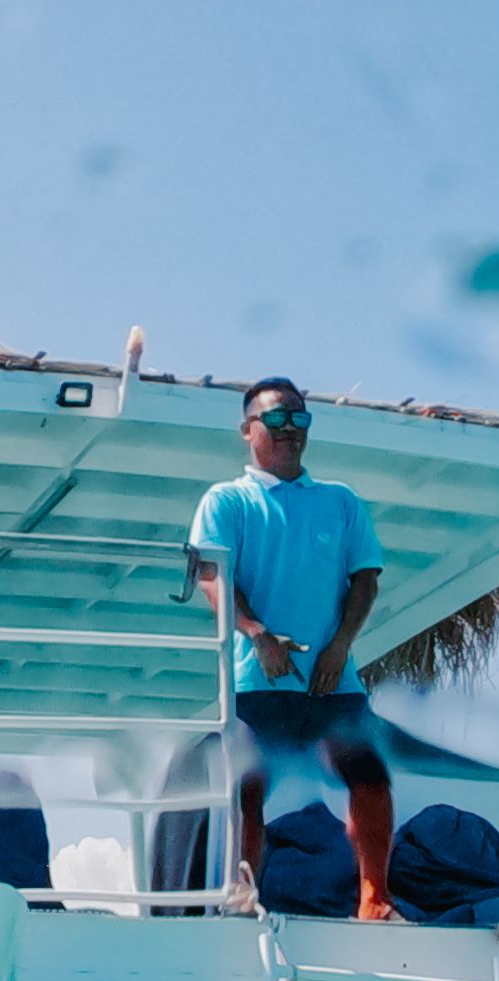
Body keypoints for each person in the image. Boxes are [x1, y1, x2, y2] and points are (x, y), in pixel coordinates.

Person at [186, 379, 396, 924]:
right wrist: (257, 634)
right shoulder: (226, 500)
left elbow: (365, 580)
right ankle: (242, 896)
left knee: (370, 777)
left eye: (299, 421)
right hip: (256, 680)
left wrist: (339, 648)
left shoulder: (341, 501)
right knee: (248, 785)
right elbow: (212, 577)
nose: (289, 432)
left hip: (333, 680)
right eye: (276, 422)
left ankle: (375, 900)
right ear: (248, 430)